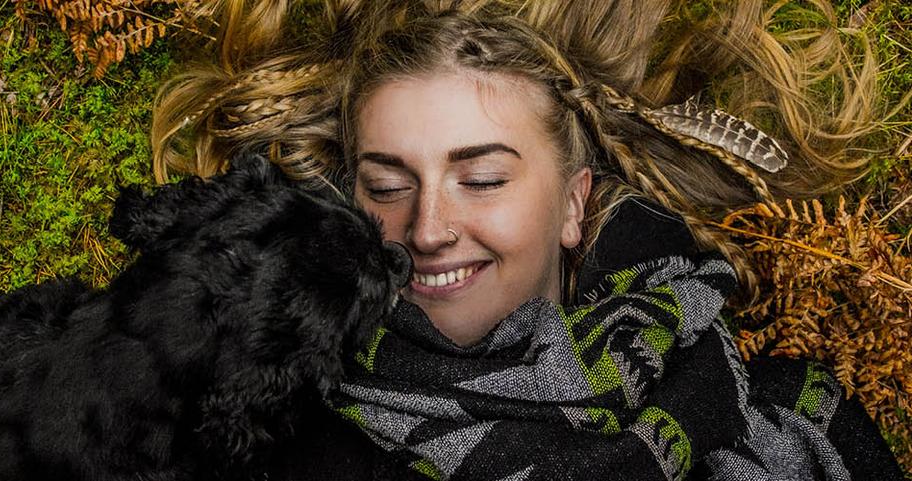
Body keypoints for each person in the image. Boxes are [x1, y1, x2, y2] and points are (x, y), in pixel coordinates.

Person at [149, 1, 904, 479]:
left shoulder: (764, 420)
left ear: (575, 205)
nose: (428, 229)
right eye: (387, 186)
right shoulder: (262, 426)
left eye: (481, 178)